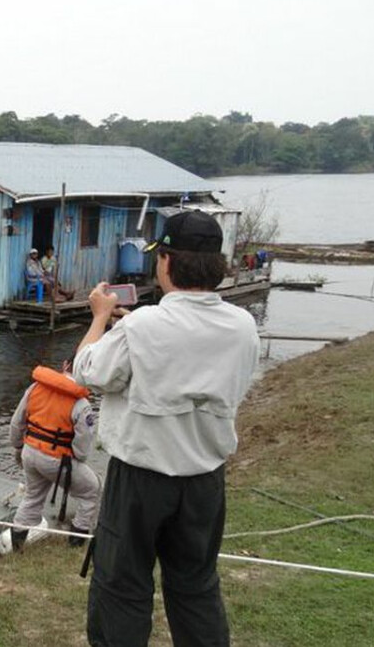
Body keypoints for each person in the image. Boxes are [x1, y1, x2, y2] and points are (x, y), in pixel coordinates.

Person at [73, 210, 260, 647]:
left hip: (140, 479)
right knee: (195, 583)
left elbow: (88, 371)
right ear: (217, 265)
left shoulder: (143, 324)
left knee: (122, 584)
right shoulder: (243, 326)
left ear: (168, 262)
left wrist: (101, 318)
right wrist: (130, 334)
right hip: (204, 479)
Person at [0, 364, 100, 554]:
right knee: (91, 490)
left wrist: (18, 447)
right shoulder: (81, 404)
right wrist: (71, 458)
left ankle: (16, 546)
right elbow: (82, 450)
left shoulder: (35, 388)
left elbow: (16, 423)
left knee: (32, 497)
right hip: (58, 461)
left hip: (29, 453)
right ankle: (76, 542)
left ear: (65, 365)